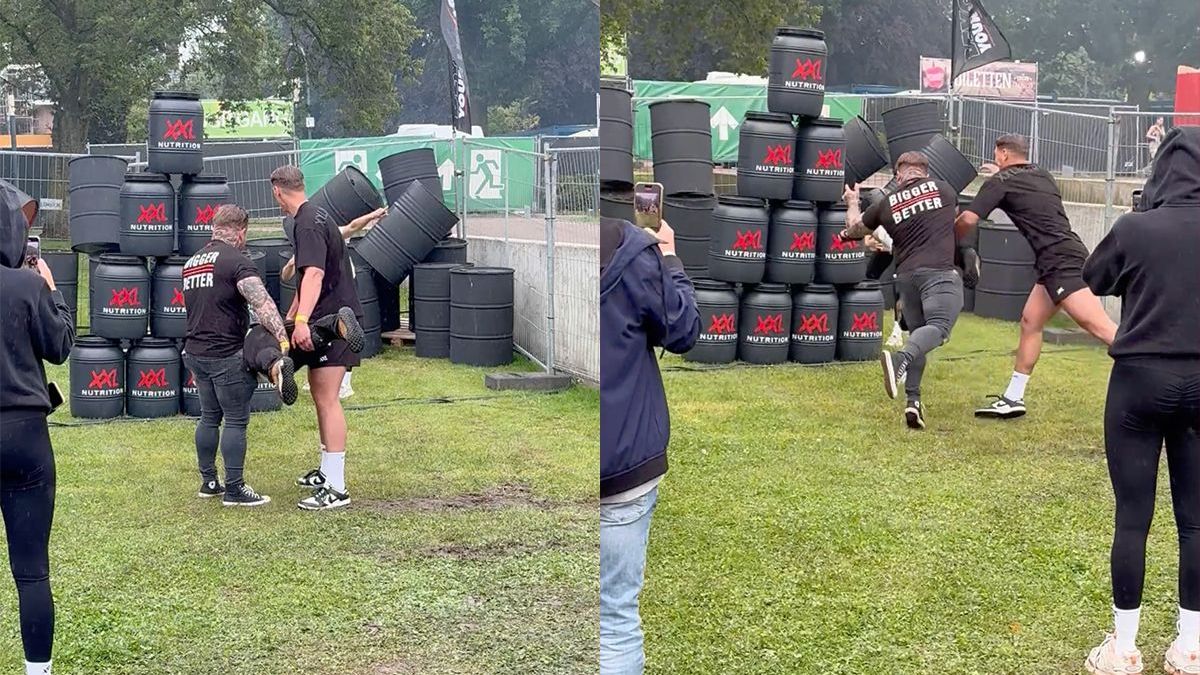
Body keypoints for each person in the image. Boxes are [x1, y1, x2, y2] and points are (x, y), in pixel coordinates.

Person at [1081, 127, 1200, 675]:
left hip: (1139, 378)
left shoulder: (1135, 227)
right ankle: (1191, 644)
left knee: (1133, 518)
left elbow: (1096, 276)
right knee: (1196, 521)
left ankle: (1124, 647)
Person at [955, 134, 1117, 419]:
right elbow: (1019, 186)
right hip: (1061, 256)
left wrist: (948, 240)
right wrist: (999, 177)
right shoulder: (1042, 175)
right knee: (1031, 321)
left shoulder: (1001, 182)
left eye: (997, 155)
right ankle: (1014, 398)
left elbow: (968, 220)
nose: (995, 160)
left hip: (1061, 262)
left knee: (1101, 328)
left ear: (1003, 154)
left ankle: (1162, 377)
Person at [600, 213, 700, 675]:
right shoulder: (634, 248)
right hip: (623, 466)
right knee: (614, 617)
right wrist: (670, 258)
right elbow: (682, 330)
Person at [0, 180, 74, 675]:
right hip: (23, 432)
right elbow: (60, 345)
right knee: (31, 573)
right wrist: (51, 288)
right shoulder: (26, 286)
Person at [182, 204, 295, 507]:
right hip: (225, 353)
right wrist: (282, 338)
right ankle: (234, 488)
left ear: (213, 229)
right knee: (235, 420)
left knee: (209, 416)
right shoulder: (235, 261)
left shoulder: (192, 262)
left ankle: (208, 482)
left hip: (194, 352)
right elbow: (262, 304)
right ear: (242, 232)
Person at [841, 152, 963, 429]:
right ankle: (900, 361)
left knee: (919, 336)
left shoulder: (885, 204)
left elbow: (854, 229)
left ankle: (913, 403)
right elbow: (953, 222)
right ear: (925, 171)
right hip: (938, 273)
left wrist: (852, 202)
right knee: (940, 328)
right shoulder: (945, 190)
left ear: (898, 175)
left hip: (907, 279)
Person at [270, 165, 366, 511]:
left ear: (277, 191)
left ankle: (337, 488)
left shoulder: (306, 222)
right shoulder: (317, 215)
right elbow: (305, 279)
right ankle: (327, 472)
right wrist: (291, 317)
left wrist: (301, 320)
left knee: (327, 399)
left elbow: (314, 275)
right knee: (320, 397)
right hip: (322, 318)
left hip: (333, 322)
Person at [281, 206, 385, 400]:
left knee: (339, 333)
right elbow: (290, 276)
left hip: (335, 293)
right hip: (338, 294)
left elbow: (354, 225)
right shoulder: (319, 237)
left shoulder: (322, 235)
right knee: (330, 335)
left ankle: (343, 382)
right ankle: (328, 376)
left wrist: (373, 215)